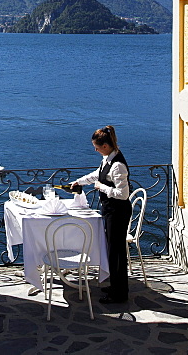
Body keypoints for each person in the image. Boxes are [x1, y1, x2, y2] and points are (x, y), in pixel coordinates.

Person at [68, 125, 132, 304]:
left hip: (118, 212)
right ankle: (115, 286)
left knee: (116, 252)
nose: (95, 150)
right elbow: (97, 175)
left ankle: (119, 294)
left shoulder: (118, 165)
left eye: (96, 147)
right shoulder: (107, 159)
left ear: (105, 146)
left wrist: (102, 187)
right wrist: (79, 181)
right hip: (110, 210)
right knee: (112, 250)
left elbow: (123, 194)